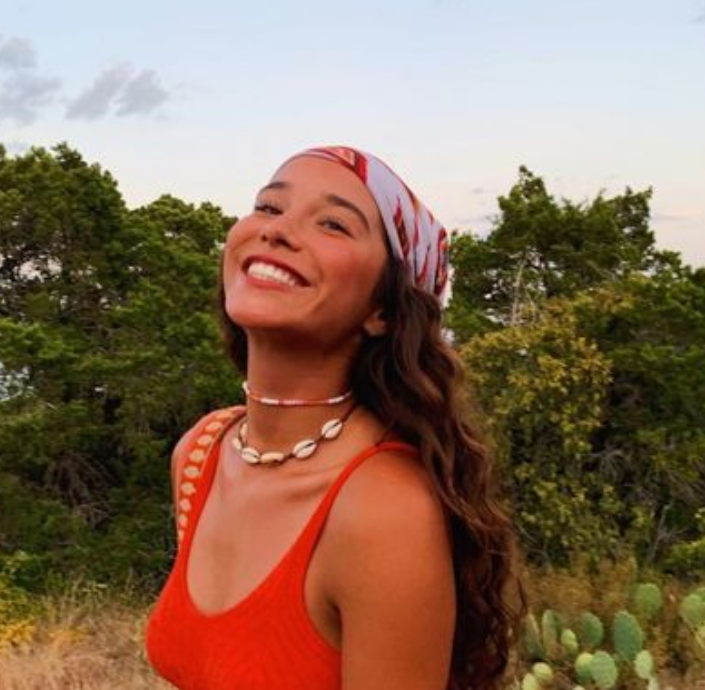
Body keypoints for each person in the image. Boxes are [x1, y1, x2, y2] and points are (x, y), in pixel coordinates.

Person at [145, 146, 527, 690]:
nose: (277, 231)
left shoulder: (383, 510)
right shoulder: (201, 452)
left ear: (383, 309)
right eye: (269, 207)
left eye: (332, 223)